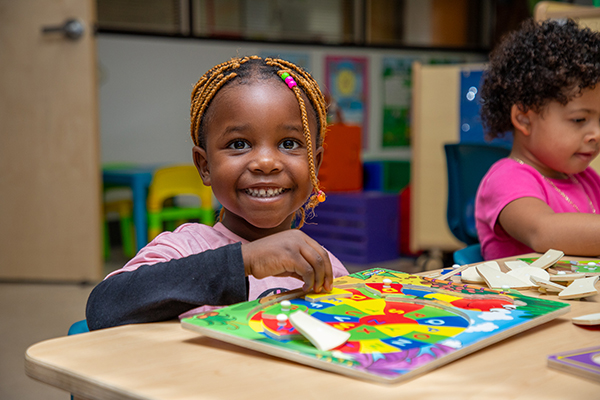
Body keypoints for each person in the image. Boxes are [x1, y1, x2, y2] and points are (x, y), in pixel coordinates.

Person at [86, 56, 349, 330]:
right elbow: (104, 307)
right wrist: (244, 261)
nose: (266, 163)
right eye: (238, 144)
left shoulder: (322, 266)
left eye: (288, 143)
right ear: (205, 166)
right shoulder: (183, 250)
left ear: (314, 164)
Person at [475, 19, 600, 260]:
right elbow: (544, 232)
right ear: (524, 119)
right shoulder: (507, 179)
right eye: (579, 120)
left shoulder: (586, 180)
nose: (596, 134)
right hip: (521, 299)